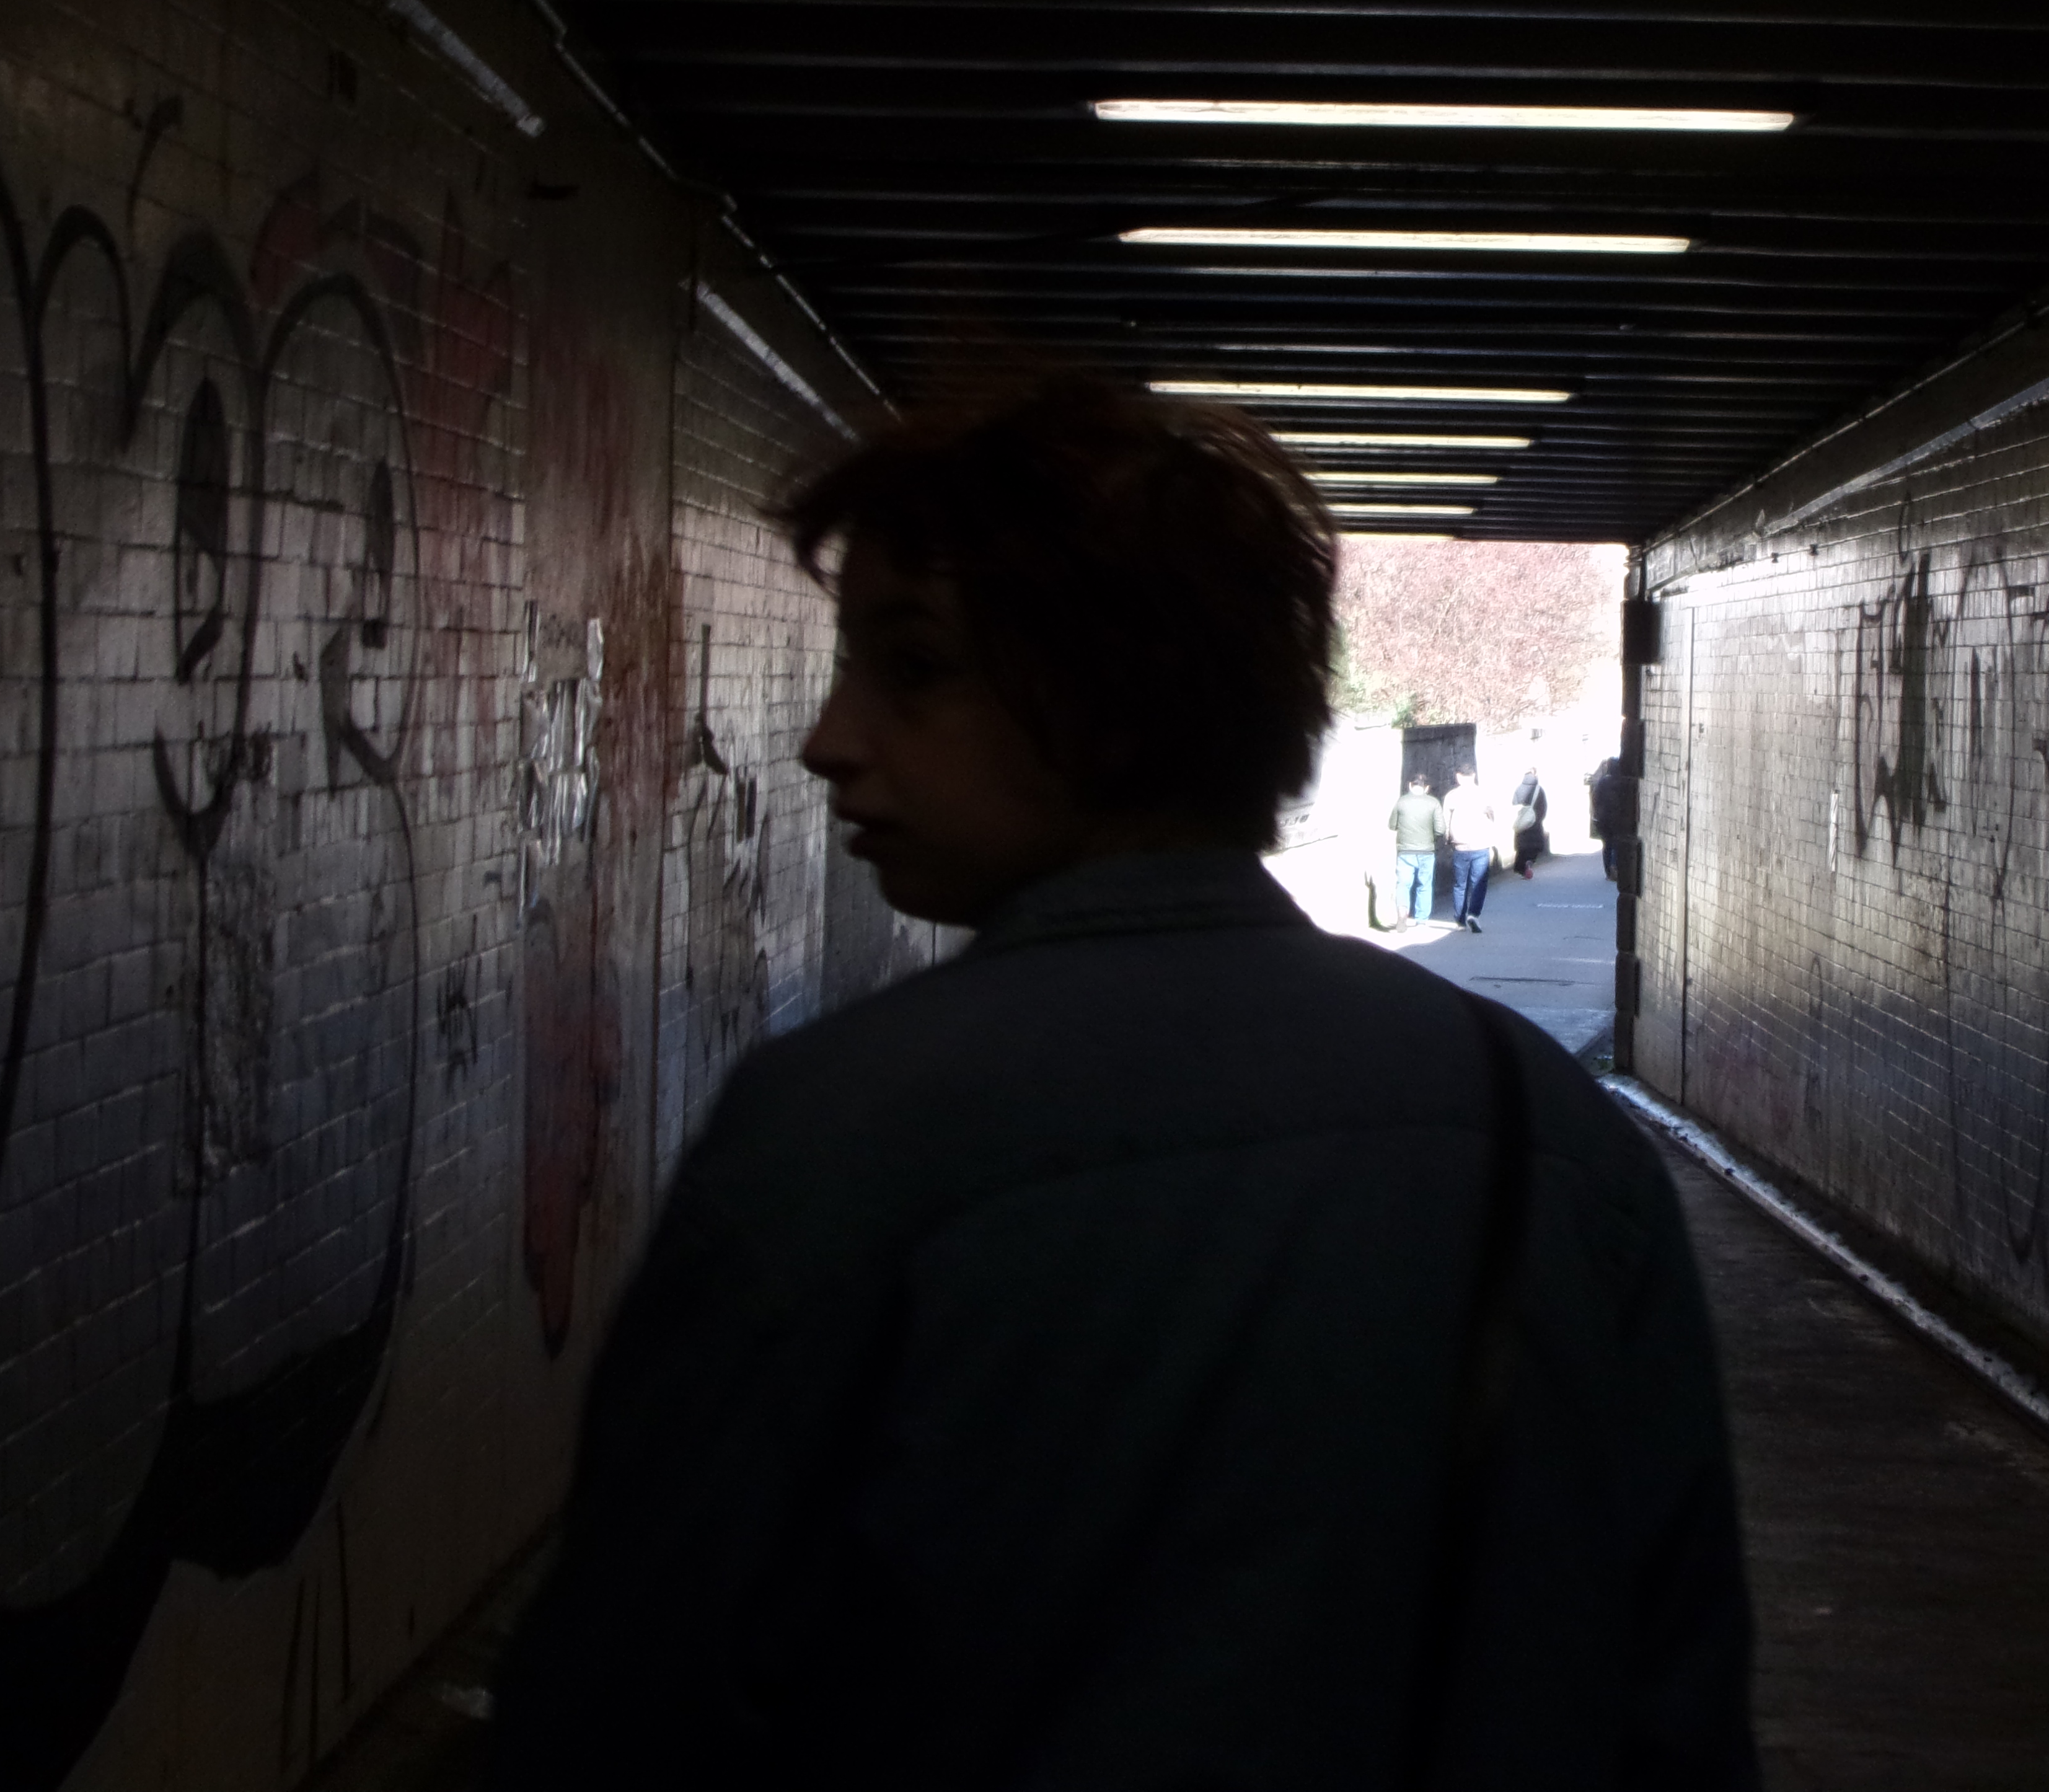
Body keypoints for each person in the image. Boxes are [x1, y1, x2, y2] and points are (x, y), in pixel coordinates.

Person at [491, 374, 1756, 1791]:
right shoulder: (1542, 1129)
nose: (828, 737)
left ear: (1116, 686)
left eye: (910, 664)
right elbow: (1673, 1700)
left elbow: (630, 1703)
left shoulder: (835, 1130)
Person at [1441, 762, 1507, 933]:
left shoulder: (1451, 796)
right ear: (1474, 776)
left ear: (1458, 777)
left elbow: (1445, 822)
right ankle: (1474, 914)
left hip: (1460, 846)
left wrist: (1448, 839)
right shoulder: (1484, 794)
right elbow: (1492, 818)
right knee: (1479, 883)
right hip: (1481, 845)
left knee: (1459, 885)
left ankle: (1460, 920)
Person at [1389, 769, 1445, 924]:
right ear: (1427, 788)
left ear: (1409, 785)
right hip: (1427, 851)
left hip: (1405, 850)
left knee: (1403, 884)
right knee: (1425, 885)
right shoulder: (1433, 803)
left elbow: (1392, 825)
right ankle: (1421, 919)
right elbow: (1440, 829)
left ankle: (1402, 912)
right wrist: (1431, 838)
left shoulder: (1401, 802)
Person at [1512, 766, 1550, 878]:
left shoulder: (1519, 788)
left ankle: (1522, 868)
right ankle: (1530, 862)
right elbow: (1543, 807)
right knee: (1534, 847)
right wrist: (1538, 819)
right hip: (1534, 823)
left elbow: (1514, 804)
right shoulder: (1539, 789)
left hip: (1522, 823)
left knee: (1522, 848)